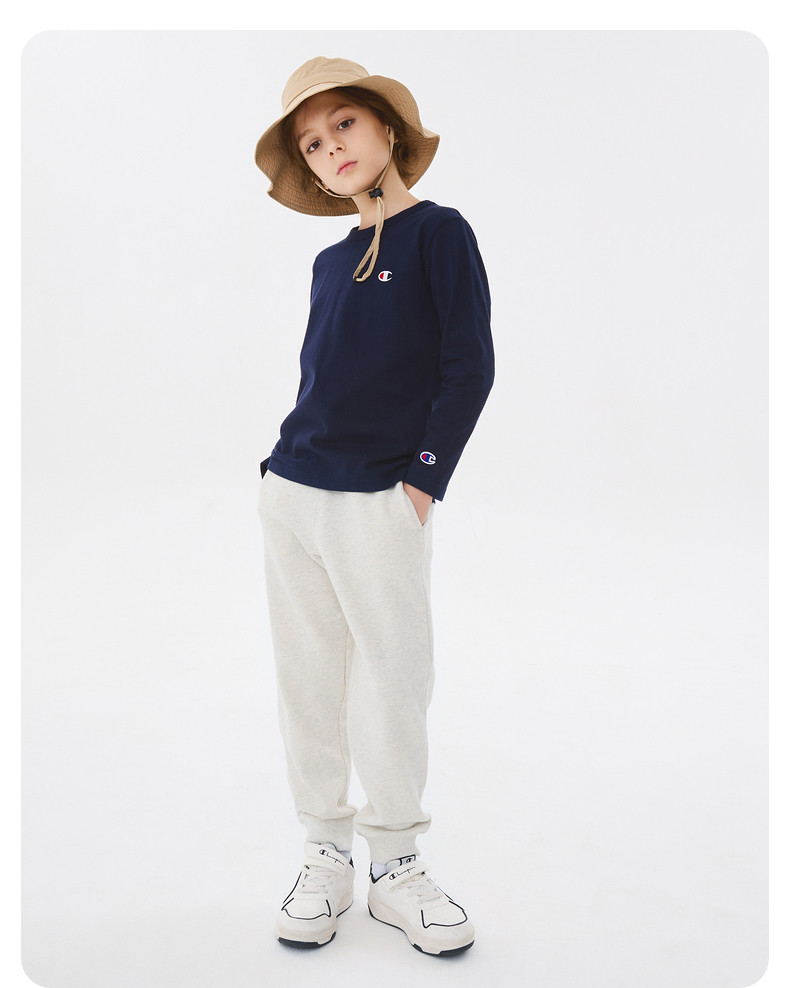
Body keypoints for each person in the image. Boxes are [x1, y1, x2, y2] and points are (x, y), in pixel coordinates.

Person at [254, 56, 495, 957]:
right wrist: (278, 476)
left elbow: (469, 366)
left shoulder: (440, 234)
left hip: (381, 499)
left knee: (392, 679)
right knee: (308, 679)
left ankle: (395, 865)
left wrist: (423, 480)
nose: (331, 149)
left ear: (387, 128)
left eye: (344, 125)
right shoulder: (326, 263)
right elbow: (324, 380)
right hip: (293, 492)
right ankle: (325, 853)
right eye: (313, 144)